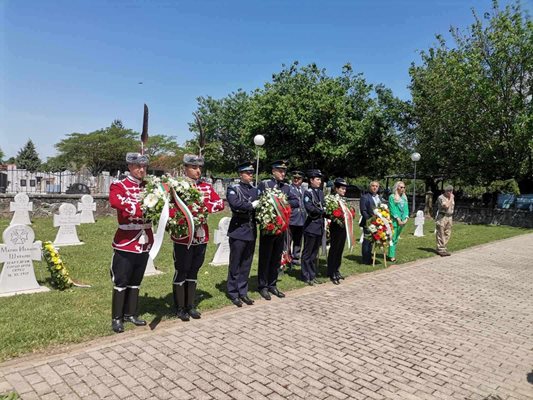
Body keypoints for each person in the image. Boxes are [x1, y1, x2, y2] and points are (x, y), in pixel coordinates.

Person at [171, 154, 224, 321]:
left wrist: (202, 206)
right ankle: (180, 307)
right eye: (194, 168)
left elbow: (219, 203)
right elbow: (170, 207)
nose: (198, 171)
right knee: (182, 269)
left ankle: (190, 305)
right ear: (186, 168)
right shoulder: (177, 186)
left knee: (194, 269)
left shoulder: (206, 187)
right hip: (183, 235)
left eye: (199, 168)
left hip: (201, 236)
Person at [109, 152, 154, 333]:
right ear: (129, 167)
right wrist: (141, 208)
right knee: (122, 280)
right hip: (127, 240)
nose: (141, 170)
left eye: (144, 167)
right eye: (137, 166)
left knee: (136, 279)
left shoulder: (150, 187)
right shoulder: (119, 185)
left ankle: (131, 313)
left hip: (144, 241)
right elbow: (115, 201)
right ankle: (117, 318)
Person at [226, 162, 260, 307]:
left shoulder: (254, 190)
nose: (251, 175)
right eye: (248, 173)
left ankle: (243, 291)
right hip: (238, 230)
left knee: (246, 263)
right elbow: (235, 204)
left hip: (251, 230)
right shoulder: (233, 188)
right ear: (241, 174)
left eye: (252, 173)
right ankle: (233, 292)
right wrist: (250, 206)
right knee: (235, 263)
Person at [257, 160, 290, 300]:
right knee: (266, 257)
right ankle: (263, 286)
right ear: (273, 171)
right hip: (269, 227)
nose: (283, 173)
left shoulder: (286, 187)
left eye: (284, 171)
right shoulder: (265, 184)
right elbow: (258, 201)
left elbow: (293, 201)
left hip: (281, 227)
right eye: (280, 170)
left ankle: (272, 284)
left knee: (276, 257)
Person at [301, 169, 326, 285]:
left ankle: (312, 275)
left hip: (319, 226)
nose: (319, 181)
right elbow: (310, 208)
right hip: (311, 226)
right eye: (317, 179)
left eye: (320, 179)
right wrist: (321, 211)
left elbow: (324, 206)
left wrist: (323, 210)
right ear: (311, 180)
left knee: (314, 253)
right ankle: (306, 276)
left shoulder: (320, 193)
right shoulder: (308, 193)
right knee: (307, 253)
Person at [327, 178, 352, 284]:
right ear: (336, 188)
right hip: (335, 227)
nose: (344, 190)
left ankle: (337, 269)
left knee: (340, 249)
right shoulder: (332, 199)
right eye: (342, 188)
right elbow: (329, 212)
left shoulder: (344, 200)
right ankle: (331, 271)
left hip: (343, 227)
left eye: (345, 188)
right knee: (334, 249)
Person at [287, 170, 306, 270]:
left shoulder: (304, 190)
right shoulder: (288, 189)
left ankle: (296, 257)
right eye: (294, 178)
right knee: (288, 241)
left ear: (302, 180)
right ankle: (287, 259)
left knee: (298, 240)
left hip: (302, 219)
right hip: (292, 218)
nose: (296, 180)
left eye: (298, 178)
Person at [359, 181, 382, 265]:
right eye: (373, 186)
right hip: (367, 222)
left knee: (372, 240)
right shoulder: (365, 197)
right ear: (370, 187)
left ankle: (369, 257)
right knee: (366, 240)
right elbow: (363, 211)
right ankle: (365, 259)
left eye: (376, 186)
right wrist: (370, 220)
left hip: (377, 223)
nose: (375, 187)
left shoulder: (379, 198)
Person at [388, 181, 409, 262]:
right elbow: (392, 209)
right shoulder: (392, 197)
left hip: (402, 222)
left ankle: (392, 253)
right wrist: (398, 219)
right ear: (397, 188)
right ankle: (391, 255)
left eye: (404, 187)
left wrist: (406, 218)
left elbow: (406, 209)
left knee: (396, 238)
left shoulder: (404, 198)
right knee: (392, 238)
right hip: (394, 221)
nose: (403, 189)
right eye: (401, 187)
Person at [436, 185, 455, 256]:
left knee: (448, 233)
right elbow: (446, 206)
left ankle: (443, 247)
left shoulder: (451, 197)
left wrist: (451, 198)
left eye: (451, 191)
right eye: (448, 191)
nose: (450, 192)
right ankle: (440, 249)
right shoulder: (441, 197)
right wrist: (451, 198)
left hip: (449, 217)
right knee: (440, 233)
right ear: (445, 191)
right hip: (442, 216)